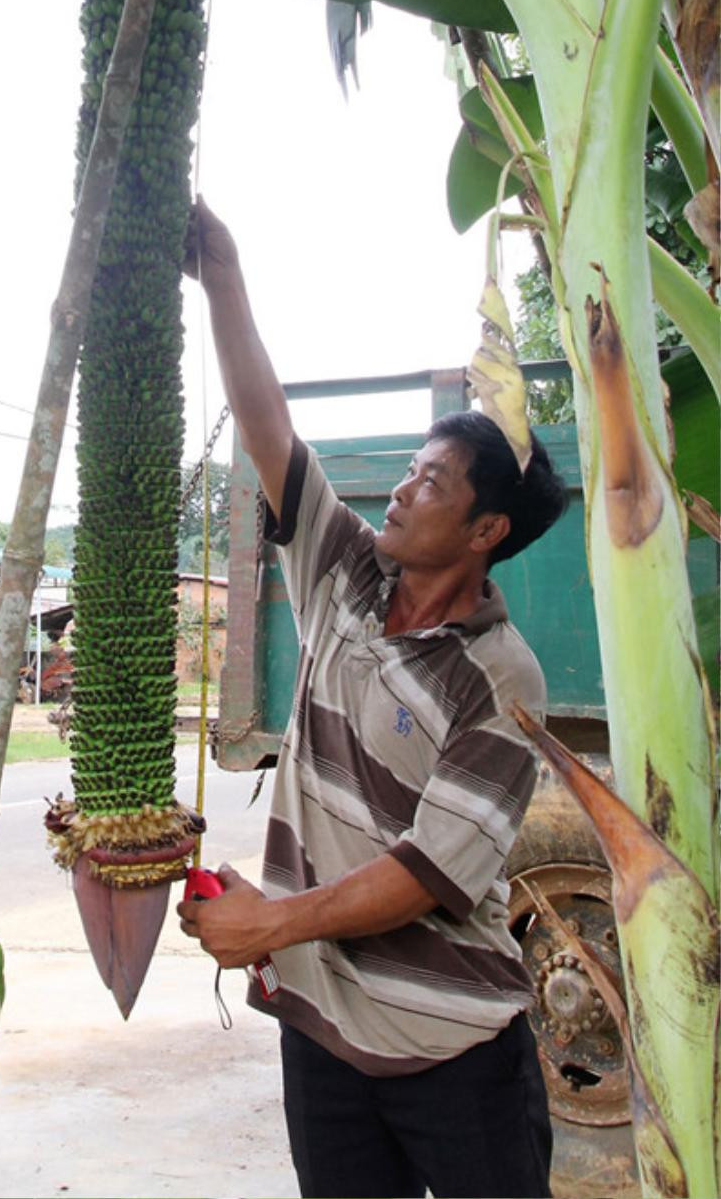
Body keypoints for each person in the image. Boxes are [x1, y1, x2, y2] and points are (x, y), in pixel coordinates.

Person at [177, 199, 569, 1199]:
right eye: (406, 471)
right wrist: (224, 275)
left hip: (453, 1048)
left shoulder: (500, 676)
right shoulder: (344, 571)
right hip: (324, 1036)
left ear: (485, 529)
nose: (397, 491)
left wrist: (269, 925)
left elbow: (425, 873)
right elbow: (269, 427)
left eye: (429, 482)